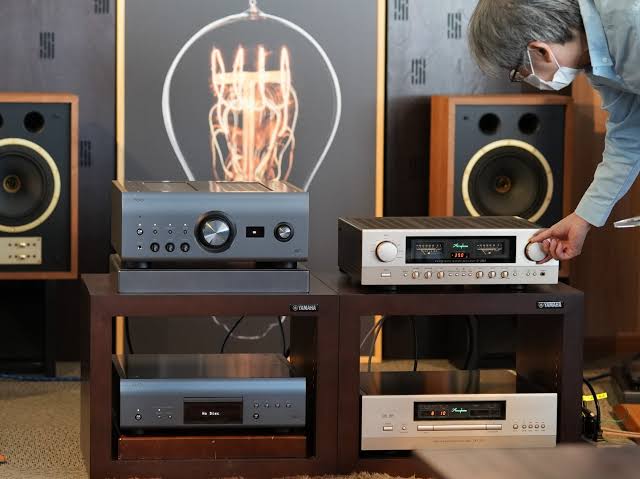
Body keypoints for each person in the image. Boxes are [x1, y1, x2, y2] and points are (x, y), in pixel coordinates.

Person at [468, 0, 640, 262]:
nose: (524, 78)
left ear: (540, 50)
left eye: (518, 72)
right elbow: (628, 136)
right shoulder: (597, 59)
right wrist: (583, 217)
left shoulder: (631, 21)